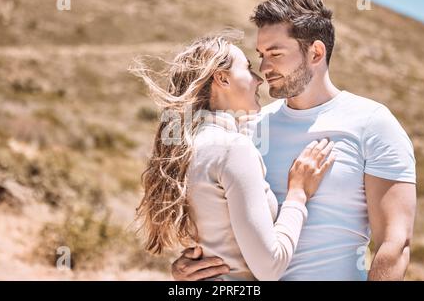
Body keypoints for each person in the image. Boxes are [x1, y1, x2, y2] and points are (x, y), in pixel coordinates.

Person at [171, 0, 417, 281]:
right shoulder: (249, 128)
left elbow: (394, 244)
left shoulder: (373, 124)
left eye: (275, 54)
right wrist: (186, 268)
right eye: (260, 56)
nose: (263, 68)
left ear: (315, 53)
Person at [132, 32, 336, 280]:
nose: (258, 79)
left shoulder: (185, 148)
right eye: (248, 69)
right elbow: (269, 268)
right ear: (222, 78)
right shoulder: (232, 148)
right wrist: (298, 194)